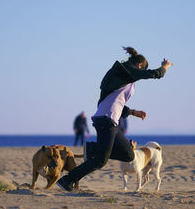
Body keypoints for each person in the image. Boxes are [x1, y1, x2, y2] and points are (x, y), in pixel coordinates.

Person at [57, 46, 172, 191]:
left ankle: (93, 149)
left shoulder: (122, 77)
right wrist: (164, 67)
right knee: (99, 161)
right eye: (141, 71)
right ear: (140, 65)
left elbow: (115, 101)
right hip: (106, 120)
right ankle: (67, 180)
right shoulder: (125, 71)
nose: (140, 75)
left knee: (128, 154)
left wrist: (133, 112)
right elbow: (153, 74)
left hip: (110, 120)